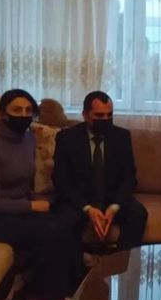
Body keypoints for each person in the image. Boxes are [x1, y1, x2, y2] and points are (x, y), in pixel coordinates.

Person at [0, 89, 84, 300]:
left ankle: (74, 289)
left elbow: (21, 185)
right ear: (3, 114)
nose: (23, 115)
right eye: (16, 110)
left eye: (28, 110)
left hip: (15, 209)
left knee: (64, 222)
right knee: (47, 230)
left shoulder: (29, 138)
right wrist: (31, 207)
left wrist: (39, 201)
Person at [52, 90, 147, 250]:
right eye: (99, 115)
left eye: (109, 115)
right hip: (80, 200)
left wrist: (115, 206)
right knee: (65, 222)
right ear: (85, 115)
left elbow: (129, 178)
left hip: (112, 198)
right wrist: (87, 208)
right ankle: (78, 263)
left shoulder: (122, 137)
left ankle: (123, 260)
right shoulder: (67, 138)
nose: (105, 119)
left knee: (138, 214)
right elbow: (61, 180)